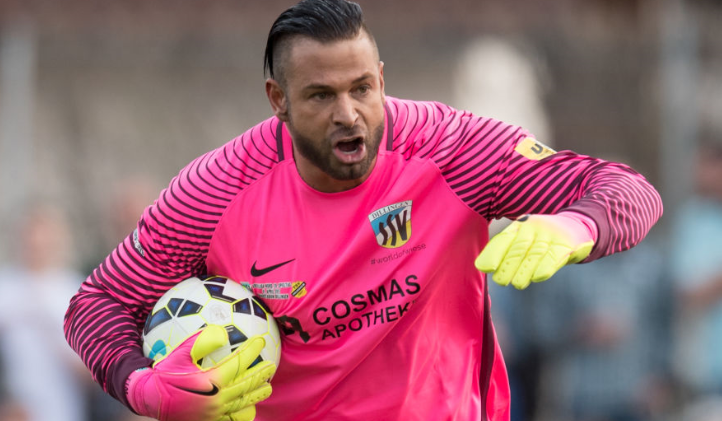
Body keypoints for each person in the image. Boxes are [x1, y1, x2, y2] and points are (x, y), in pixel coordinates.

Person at [63, 1, 663, 420]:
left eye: (361, 89)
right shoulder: (216, 192)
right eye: (321, 96)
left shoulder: (451, 150)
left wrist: (577, 225)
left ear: (380, 77)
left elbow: (628, 190)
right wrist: (146, 388)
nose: (348, 114)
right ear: (278, 100)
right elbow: (98, 303)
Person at [0, 206, 90, 421]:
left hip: (65, 411)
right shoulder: (5, 286)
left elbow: (94, 371)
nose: (36, 246)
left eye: (43, 241)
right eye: (30, 239)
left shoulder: (77, 290)